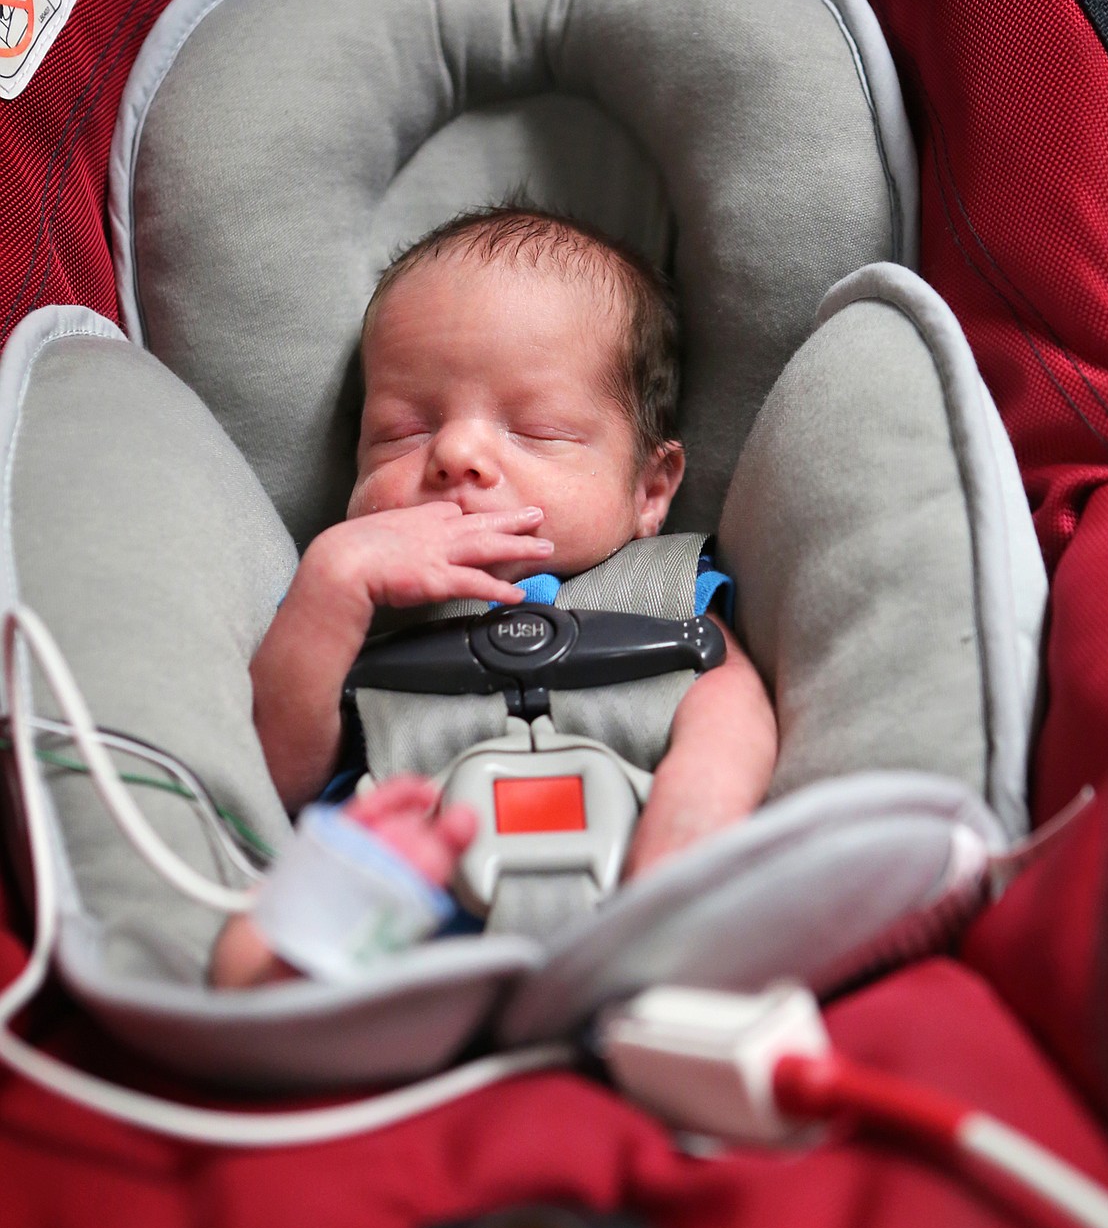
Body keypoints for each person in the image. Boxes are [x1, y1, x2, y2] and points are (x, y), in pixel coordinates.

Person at [213, 206, 778, 985]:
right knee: (241, 959)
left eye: (535, 429)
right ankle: (301, 995)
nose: (454, 453)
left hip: (632, 879)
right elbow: (270, 777)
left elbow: (732, 695)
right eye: (401, 431)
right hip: (398, 919)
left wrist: (696, 804)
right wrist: (333, 584)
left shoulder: (663, 590)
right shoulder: (349, 615)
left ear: (650, 488)